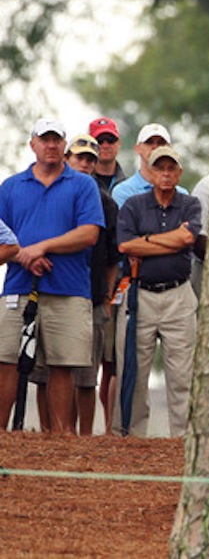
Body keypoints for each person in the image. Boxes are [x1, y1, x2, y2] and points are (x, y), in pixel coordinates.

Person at [0, 119, 103, 433]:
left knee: (62, 365)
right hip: (18, 285)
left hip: (69, 289)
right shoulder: (11, 186)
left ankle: (61, 441)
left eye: (57, 140)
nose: (51, 145)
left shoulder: (83, 185)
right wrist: (24, 255)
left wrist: (41, 247)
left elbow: (89, 233)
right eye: (44, 140)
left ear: (64, 145)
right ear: (32, 144)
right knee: (6, 361)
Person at [116, 146, 200, 437]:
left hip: (179, 294)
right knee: (134, 370)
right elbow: (126, 246)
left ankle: (184, 439)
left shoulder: (190, 204)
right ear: (150, 173)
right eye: (159, 168)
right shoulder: (133, 205)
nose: (165, 173)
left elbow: (188, 237)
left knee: (183, 374)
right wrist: (171, 239)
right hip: (141, 293)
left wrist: (147, 240)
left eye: (171, 168)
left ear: (179, 173)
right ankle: (132, 438)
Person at [65, 135, 121, 434]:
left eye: (90, 159)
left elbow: (113, 257)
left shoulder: (107, 204)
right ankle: (57, 434)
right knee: (52, 373)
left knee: (87, 376)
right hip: (57, 292)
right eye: (79, 158)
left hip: (93, 297)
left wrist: (107, 297)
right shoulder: (55, 196)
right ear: (67, 160)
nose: (85, 164)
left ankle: (85, 439)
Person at [112, 123, 188, 208]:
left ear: (169, 149)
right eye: (149, 142)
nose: (155, 146)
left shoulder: (182, 194)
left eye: (161, 143)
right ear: (137, 149)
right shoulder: (124, 191)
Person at [89, 117, 127, 193]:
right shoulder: (80, 183)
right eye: (99, 141)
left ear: (119, 143)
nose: (105, 146)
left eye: (110, 140)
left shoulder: (130, 186)